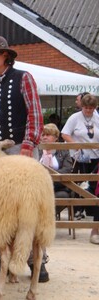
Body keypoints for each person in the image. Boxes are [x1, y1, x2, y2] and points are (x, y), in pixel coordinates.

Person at [0, 35, 47, 281]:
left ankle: (37, 260)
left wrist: (28, 144)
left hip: (20, 149)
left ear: (5, 55)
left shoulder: (23, 78)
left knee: (28, 208)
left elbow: (35, 114)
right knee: (1, 208)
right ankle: (3, 257)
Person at [61, 94, 99, 242]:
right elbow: (64, 133)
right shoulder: (75, 118)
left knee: (96, 191)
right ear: (81, 106)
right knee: (79, 188)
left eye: (91, 108)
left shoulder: (97, 117)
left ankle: (95, 228)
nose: (88, 111)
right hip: (79, 158)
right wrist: (78, 145)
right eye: (86, 108)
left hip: (96, 158)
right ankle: (78, 211)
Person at [39, 123, 72, 217]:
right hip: (39, 186)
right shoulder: (36, 150)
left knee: (63, 196)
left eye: (48, 135)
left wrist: (50, 177)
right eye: (43, 135)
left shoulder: (64, 150)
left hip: (58, 186)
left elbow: (67, 169)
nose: (44, 137)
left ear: (56, 138)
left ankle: (47, 217)